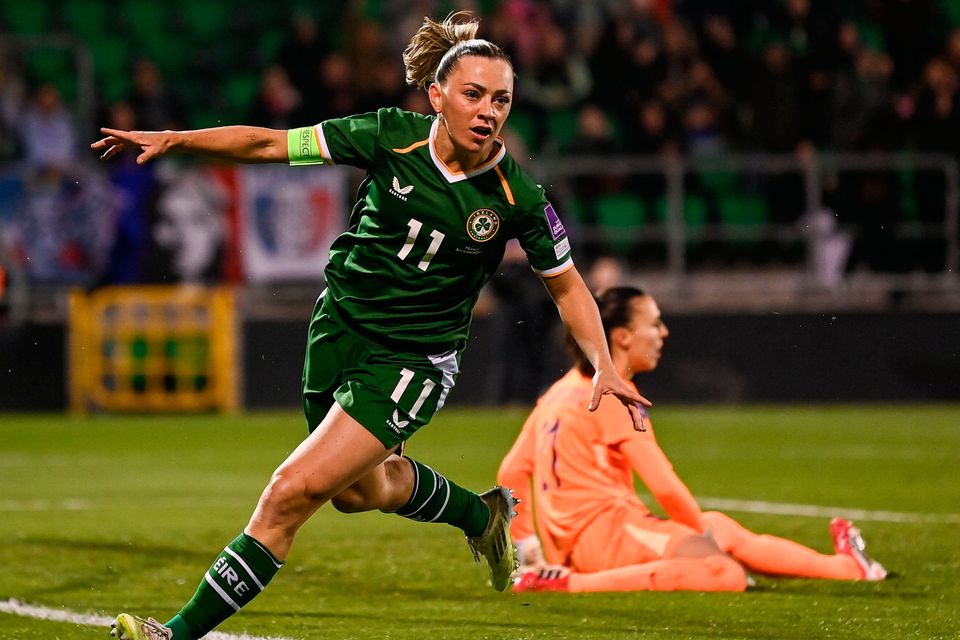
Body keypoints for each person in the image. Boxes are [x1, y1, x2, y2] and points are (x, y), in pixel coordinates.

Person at [91, 11, 648, 640]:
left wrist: (602, 360)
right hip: (338, 331)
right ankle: (481, 513)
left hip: (410, 363)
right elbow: (273, 144)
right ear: (437, 97)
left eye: (502, 100)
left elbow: (568, 284)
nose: (489, 112)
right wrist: (177, 138)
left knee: (288, 493)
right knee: (358, 492)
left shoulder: (519, 197)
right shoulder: (388, 136)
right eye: (473, 95)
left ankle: (174, 633)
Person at [498, 286, 887, 594]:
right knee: (722, 572)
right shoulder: (614, 395)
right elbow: (666, 489)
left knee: (720, 526)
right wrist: (702, 542)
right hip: (607, 538)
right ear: (622, 337)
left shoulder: (561, 392)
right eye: (654, 323)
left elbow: (513, 470)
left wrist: (530, 549)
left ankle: (846, 569)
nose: (663, 332)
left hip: (580, 542)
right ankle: (566, 583)